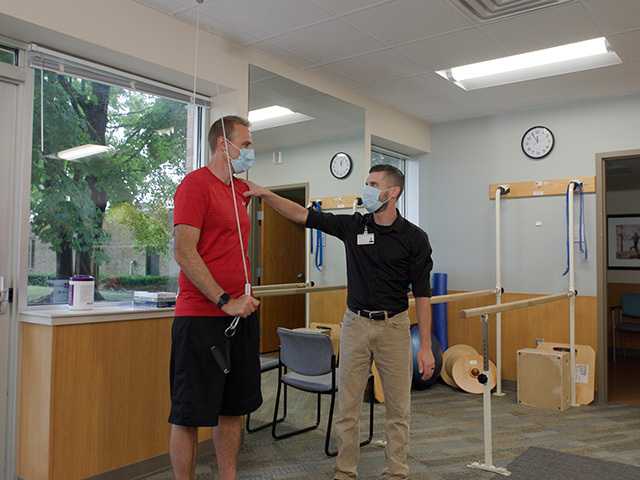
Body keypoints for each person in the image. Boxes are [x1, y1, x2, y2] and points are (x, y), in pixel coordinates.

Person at [244, 164, 435, 480]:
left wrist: (425, 347)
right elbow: (302, 215)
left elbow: (424, 295)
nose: (367, 189)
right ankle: (345, 472)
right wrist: (265, 194)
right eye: (367, 183)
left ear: (394, 192)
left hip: (395, 327)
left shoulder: (414, 238)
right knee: (347, 407)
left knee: (399, 410)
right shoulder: (354, 227)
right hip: (355, 325)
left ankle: (396, 473)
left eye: (373, 184)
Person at [169, 115, 261, 480]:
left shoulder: (240, 191)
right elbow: (184, 251)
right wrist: (224, 299)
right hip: (201, 318)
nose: (250, 151)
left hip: (241, 317)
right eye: (247, 144)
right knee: (189, 413)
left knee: (232, 409)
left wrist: (240, 302)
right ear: (225, 144)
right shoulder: (194, 186)